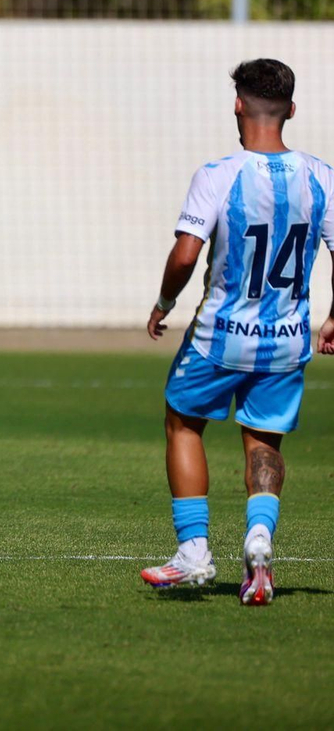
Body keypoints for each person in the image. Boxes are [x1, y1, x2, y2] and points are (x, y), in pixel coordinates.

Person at [142, 59, 334, 605]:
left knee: (183, 422)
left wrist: (164, 302)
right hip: (287, 340)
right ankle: (259, 539)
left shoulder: (218, 174)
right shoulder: (322, 176)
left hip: (219, 336)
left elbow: (186, 255)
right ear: (290, 110)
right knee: (264, 440)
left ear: (237, 105)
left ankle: (193, 552)